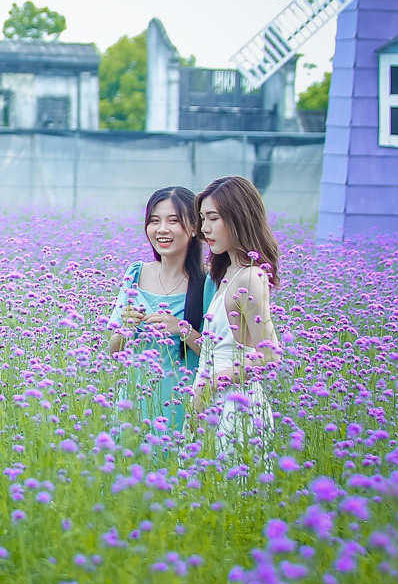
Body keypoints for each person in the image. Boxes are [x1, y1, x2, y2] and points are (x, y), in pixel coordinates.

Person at [105, 186, 216, 433]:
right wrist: (126, 328)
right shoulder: (136, 274)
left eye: (173, 221)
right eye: (154, 221)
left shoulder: (209, 283)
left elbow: (220, 356)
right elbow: (114, 350)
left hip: (184, 403)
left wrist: (183, 330)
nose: (162, 229)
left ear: (195, 228)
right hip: (134, 402)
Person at [191, 175, 283, 456]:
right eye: (202, 219)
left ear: (239, 217)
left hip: (235, 408)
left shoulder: (250, 277)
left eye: (213, 218)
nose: (205, 228)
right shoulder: (226, 274)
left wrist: (212, 384)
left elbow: (270, 355)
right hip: (211, 402)